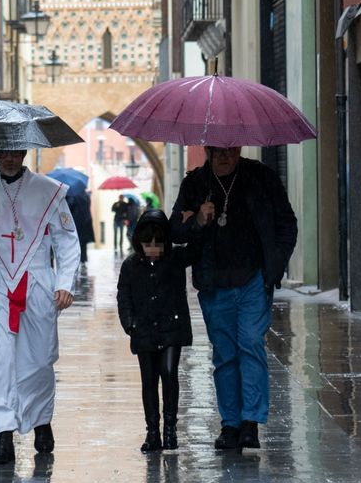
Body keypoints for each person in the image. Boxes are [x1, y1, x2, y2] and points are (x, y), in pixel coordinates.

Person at [169, 146, 297, 452]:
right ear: (208, 151)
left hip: (253, 278)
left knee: (251, 343)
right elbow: (175, 229)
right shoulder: (196, 183)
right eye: (219, 151)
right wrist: (198, 219)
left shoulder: (261, 177)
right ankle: (230, 425)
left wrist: (274, 266)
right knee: (225, 353)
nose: (226, 157)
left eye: (231, 150)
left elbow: (286, 223)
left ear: (239, 148)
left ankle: (251, 422)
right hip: (214, 283)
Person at [0, 150, 80, 464]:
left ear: (23, 152)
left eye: (15, 152)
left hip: (38, 282)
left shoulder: (48, 189)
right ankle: (3, 435)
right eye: (3, 153)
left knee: (39, 359)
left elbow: (66, 240)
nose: (9, 159)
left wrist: (65, 282)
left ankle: (41, 421)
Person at [116, 210, 191, 452]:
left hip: (172, 326)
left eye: (158, 244)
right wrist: (130, 324)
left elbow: (198, 245)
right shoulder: (130, 266)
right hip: (144, 330)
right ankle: (152, 433)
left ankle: (170, 430)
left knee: (169, 373)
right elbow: (123, 296)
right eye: (148, 244)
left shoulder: (176, 258)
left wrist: (194, 220)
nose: (153, 250)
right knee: (149, 380)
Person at [67, 190, 96, 263]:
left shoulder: (74, 196)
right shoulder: (87, 196)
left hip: (77, 222)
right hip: (86, 222)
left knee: (77, 242)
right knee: (83, 242)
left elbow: (70, 205)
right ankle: (83, 259)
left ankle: (77, 259)